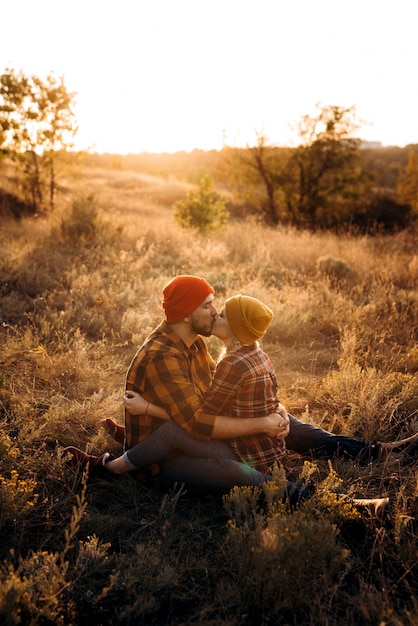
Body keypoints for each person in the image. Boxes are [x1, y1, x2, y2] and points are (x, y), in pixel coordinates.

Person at [65, 276, 418, 494]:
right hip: (165, 459)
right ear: (187, 314)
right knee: (234, 471)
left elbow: (216, 396)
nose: (214, 311)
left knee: (288, 423)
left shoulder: (196, 343)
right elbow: (198, 423)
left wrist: (272, 410)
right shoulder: (162, 356)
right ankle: (337, 504)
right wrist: (263, 422)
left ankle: (377, 454)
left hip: (192, 434)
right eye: (208, 306)